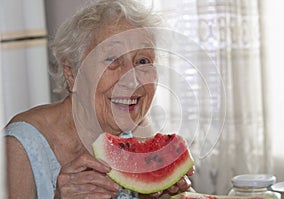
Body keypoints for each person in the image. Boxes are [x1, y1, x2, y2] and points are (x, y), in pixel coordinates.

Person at [3, 0, 194, 198]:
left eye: (143, 61)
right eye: (112, 59)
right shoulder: (17, 147)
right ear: (72, 74)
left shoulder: (136, 126)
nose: (132, 81)